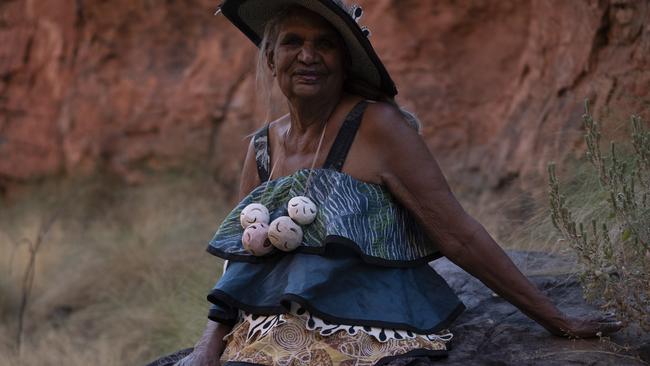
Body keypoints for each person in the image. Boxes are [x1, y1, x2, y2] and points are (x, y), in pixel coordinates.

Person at [175, 1, 622, 365]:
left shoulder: (378, 127)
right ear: (271, 57)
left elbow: (456, 233)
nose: (308, 56)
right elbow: (240, 264)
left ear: (344, 61)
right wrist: (206, 348)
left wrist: (555, 319)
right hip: (271, 329)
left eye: (325, 44)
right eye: (293, 42)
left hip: (364, 332)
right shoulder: (261, 147)